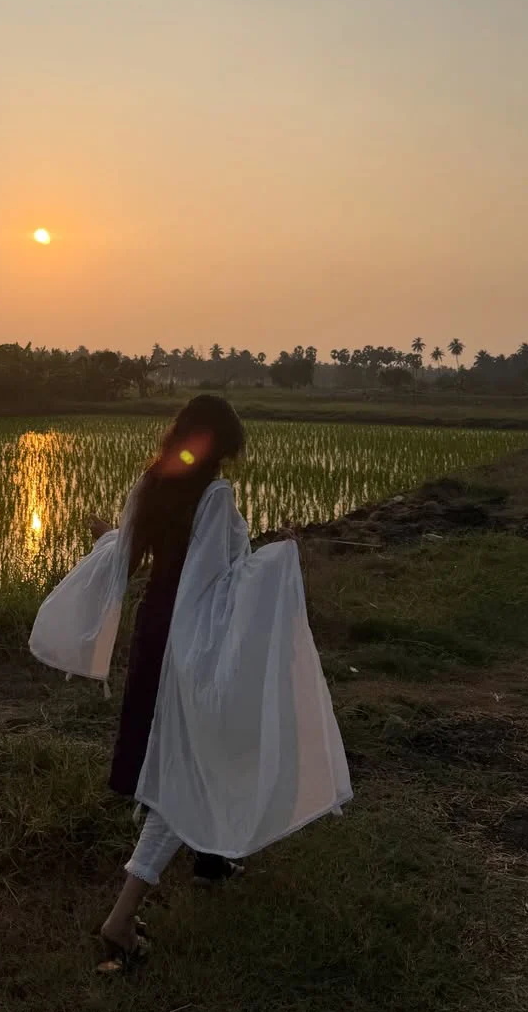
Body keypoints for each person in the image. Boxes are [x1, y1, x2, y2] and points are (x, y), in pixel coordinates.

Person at [29, 395, 351, 972]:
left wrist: (107, 535)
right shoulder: (217, 496)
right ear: (222, 445)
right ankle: (122, 918)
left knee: (184, 749)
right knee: (190, 759)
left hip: (155, 634)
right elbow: (222, 577)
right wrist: (280, 557)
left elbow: (127, 556)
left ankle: (211, 861)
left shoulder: (153, 484)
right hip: (193, 639)